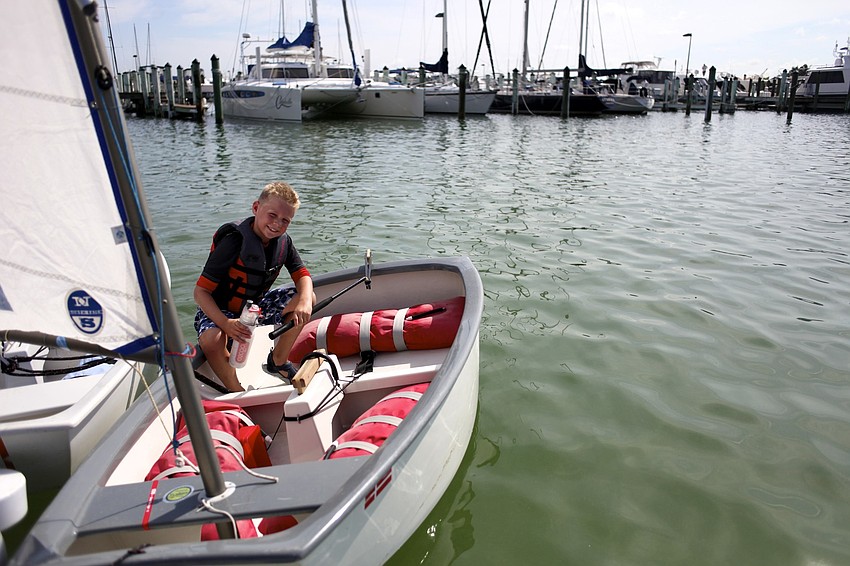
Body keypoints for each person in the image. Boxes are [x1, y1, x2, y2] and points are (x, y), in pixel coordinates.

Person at [193, 182, 315, 392]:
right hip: (219, 310)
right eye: (272, 215)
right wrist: (225, 323)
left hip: (253, 310)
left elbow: (302, 275)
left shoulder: (283, 242)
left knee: (308, 297)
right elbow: (200, 292)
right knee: (211, 340)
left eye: (285, 220)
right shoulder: (234, 241)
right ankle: (235, 389)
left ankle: (278, 360)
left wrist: (304, 301)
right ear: (256, 208)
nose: (277, 224)